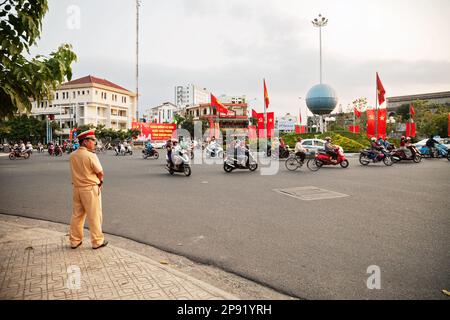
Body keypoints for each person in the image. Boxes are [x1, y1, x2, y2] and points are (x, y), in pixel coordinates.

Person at [69, 129, 108, 250]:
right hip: (90, 189)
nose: (94, 143)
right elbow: (100, 172)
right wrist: (100, 182)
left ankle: (74, 241)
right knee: (94, 215)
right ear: (85, 142)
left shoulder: (72, 155)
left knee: (77, 216)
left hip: (77, 189)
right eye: (92, 140)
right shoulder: (91, 155)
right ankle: (97, 241)